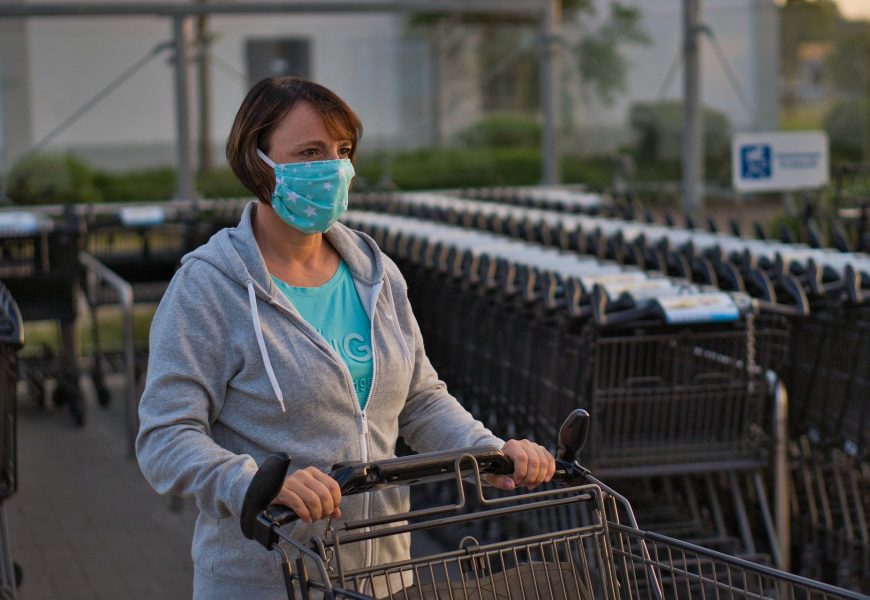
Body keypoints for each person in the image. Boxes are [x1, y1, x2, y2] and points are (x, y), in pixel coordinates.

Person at [136, 76, 555, 599]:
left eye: (343, 151)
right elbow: (165, 438)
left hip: (380, 578)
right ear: (257, 161)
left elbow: (420, 402)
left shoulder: (374, 273)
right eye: (310, 152)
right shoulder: (208, 288)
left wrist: (485, 451)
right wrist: (253, 484)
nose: (334, 168)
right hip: (267, 582)